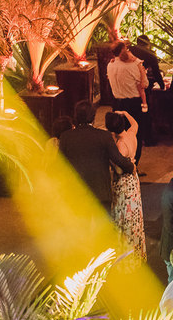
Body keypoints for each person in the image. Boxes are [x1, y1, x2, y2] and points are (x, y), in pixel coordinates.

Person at [58, 101, 135, 211]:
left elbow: (59, 164)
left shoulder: (66, 137)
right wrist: (131, 166)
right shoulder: (104, 136)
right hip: (100, 193)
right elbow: (119, 160)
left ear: (76, 116)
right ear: (93, 117)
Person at [104, 110, 147, 258]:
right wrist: (126, 113)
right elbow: (135, 123)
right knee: (133, 216)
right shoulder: (130, 133)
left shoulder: (121, 144)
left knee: (124, 216)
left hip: (124, 182)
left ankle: (125, 255)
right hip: (133, 180)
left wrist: (109, 158)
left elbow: (119, 170)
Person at [106, 40, 150, 163]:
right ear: (123, 50)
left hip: (116, 103)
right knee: (135, 134)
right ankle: (134, 163)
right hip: (132, 104)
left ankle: (120, 161)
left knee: (118, 134)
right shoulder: (132, 66)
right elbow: (145, 84)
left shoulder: (110, 65)